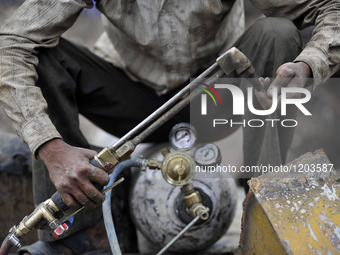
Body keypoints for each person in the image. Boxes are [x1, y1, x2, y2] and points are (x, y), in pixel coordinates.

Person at [0, 0, 339, 254]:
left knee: (276, 33)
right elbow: (11, 43)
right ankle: (84, 236)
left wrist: (308, 64)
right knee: (43, 56)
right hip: (127, 102)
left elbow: (331, 8)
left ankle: (267, 217)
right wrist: (51, 148)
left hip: (214, 96)